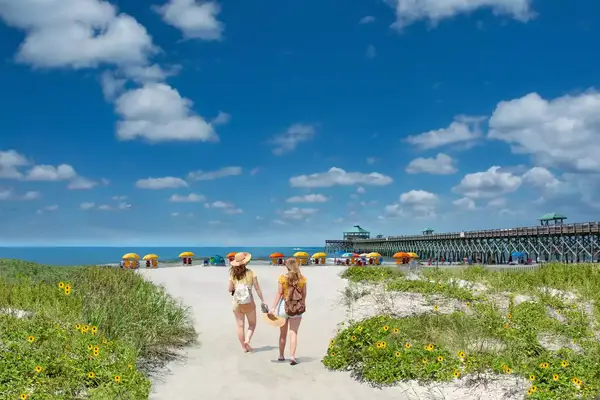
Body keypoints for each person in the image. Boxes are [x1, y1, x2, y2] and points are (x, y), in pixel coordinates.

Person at [268, 258, 307, 365]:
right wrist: (302, 304)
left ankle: (281, 355)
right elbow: (304, 294)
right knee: (293, 333)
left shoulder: (282, 278)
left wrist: (273, 307)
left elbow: (279, 293)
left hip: (283, 307)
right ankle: (292, 357)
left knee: (283, 333)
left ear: (287, 267)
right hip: (297, 308)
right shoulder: (302, 279)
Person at [228, 252, 266, 353]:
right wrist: (263, 300)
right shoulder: (251, 272)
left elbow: (229, 289)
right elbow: (257, 288)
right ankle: (247, 339)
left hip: (236, 302)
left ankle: (244, 348)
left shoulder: (233, 275)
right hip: (249, 302)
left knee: (240, 325)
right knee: (252, 324)